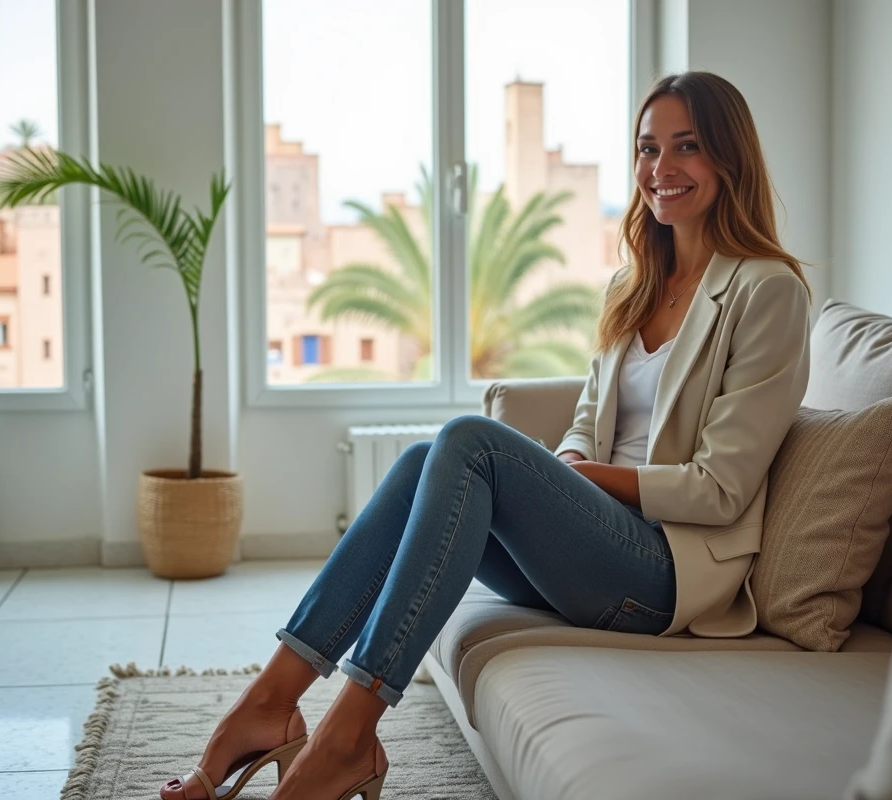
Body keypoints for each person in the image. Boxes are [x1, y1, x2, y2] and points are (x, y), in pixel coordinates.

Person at [160, 70, 812, 800]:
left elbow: (721, 491)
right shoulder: (633, 286)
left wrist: (576, 481)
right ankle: (270, 705)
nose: (661, 170)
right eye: (647, 148)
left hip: (661, 573)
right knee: (418, 464)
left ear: (730, 158)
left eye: (686, 147)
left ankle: (346, 737)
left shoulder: (767, 290)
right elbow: (587, 427)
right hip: (590, 547)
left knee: (470, 440)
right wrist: (566, 468)